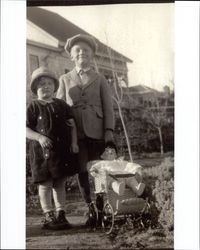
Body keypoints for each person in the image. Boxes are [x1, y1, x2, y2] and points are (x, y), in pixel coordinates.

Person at [56, 34, 115, 226]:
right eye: (78, 50)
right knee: (82, 171)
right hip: (76, 135)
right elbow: (59, 106)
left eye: (86, 51)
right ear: (71, 56)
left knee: (99, 171)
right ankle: (90, 209)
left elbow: (108, 107)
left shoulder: (100, 79)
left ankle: (100, 209)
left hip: (97, 133)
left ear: (92, 56)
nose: (82, 53)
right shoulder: (65, 79)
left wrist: (109, 131)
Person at [26, 66, 79, 230]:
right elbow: (25, 129)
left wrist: (74, 143)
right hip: (42, 154)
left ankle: (61, 213)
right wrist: (40, 137)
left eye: (49, 83)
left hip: (61, 151)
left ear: (54, 87)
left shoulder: (61, 105)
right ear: (35, 89)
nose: (46, 87)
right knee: (45, 184)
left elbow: (72, 125)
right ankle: (48, 214)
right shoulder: (33, 106)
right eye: (41, 84)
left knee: (59, 183)